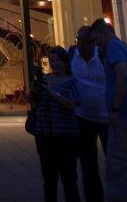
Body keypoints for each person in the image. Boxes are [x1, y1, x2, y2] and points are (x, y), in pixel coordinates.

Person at [90, 18, 127, 201]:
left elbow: (122, 74)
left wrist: (115, 108)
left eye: (97, 40)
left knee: (117, 169)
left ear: (103, 34)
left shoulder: (114, 48)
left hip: (124, 117)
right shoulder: (125, 48)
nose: (98, 47)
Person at [28, 47, 83, 201]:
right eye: (52, 61)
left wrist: (53, 93)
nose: (54, 64)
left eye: (58, 60)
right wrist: (33, 95)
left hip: (66, 135)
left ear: (66, 62)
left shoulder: (72, 82)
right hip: (45, 133)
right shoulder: (44, 80)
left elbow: (73, 104)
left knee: (69, 178)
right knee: (49, 178)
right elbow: (35, 103)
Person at [68, 26, 107, 202]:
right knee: (87, 161)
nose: (82, 44)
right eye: (79, 40)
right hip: (81, 116)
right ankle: (94, 197)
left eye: (86, 41)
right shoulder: (72, 56)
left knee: (113, 158)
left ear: (93, 41)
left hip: (106, 117)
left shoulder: (104, 55)